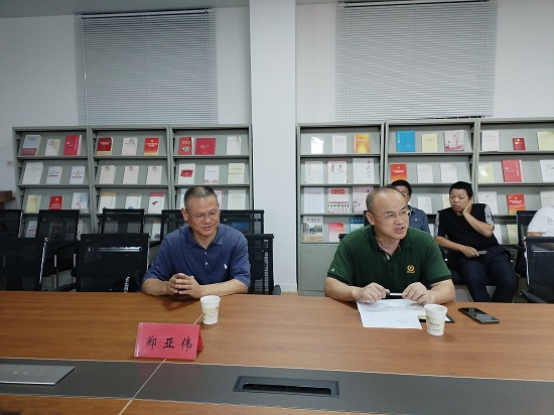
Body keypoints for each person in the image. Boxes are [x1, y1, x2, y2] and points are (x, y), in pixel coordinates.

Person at [325, 187, 454, 305]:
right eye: (390, 215)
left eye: (403, 212)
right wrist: (357, 293)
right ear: (371, 218)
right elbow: (331, 285)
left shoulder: (424, 241)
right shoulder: (353, 242)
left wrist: (430, 296)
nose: (400, 221)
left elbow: (447, 288)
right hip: (366, 311)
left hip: (410, 312)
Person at [142, 186, 250, 298]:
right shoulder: (172, 242)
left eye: (212, 213)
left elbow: (242, 283)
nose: (207, 221)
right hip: (184, 306)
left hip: (224, 305)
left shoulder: (235, 239)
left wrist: (201, 291)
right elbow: (148, 283)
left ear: (218, 207)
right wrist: (166, 287)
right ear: (185, 214)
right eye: (199, 215)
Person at [434, 181, 516, 303]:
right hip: (465, 257)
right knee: (473, 279)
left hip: (493, 254)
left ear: (470, 198)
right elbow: (439, 239)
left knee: (509, 281)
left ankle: (498, 310)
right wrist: (462, 248)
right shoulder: (443, 214)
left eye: (461, 197)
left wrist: (466, 214)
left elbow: (487, 232)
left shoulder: (482, 208)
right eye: (452, 197)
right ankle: (486, 310)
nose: (455, 200)